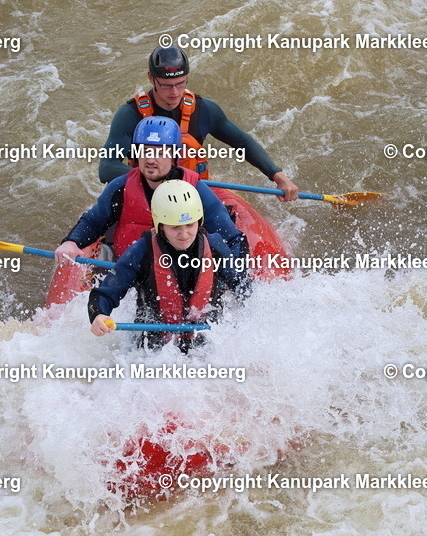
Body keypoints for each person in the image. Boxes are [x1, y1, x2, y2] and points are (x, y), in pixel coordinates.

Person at [98, 46, 299, 201]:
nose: (175, 92)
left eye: (181, 83)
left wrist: (278, 176)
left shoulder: (204, 109)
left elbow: (241, 142)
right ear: (151, 78)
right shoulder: (130, 114)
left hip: (191, 193)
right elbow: (107, 167)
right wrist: (156, 180)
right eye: (166, 85)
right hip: (147, 193)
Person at [55, 116, 248, 264]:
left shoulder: (195, 189)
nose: (150, 159)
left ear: (173, 155)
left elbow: (231, 238)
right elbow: (93, 221)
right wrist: (71, 242)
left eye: (159, 151)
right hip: (132, 275)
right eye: (145, 151)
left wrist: (238, 285)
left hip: (182, 275)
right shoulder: (120, 187)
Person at [88, 179, 249, 351]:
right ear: (160, 225)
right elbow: (105, 294)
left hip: (207, 342)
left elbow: (242, 286)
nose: (184, 234)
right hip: (154, 348)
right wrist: (98, 314)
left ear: (199, 221)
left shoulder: (215, 246)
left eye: (190, 224)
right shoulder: (141, 252)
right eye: (175, 227)